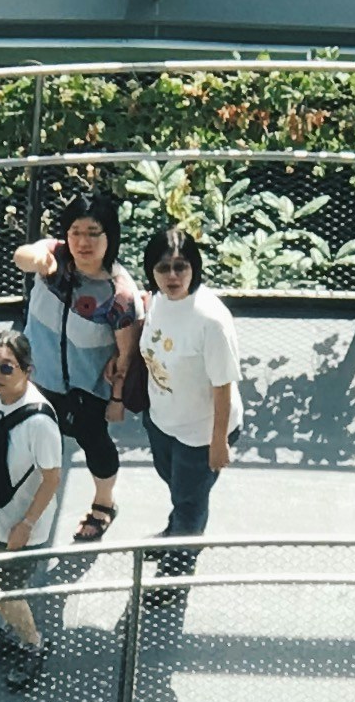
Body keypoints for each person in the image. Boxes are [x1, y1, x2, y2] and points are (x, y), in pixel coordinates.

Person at [14, 193, 143, 548]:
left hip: (85, 388)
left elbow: (125, 355)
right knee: (30, 438)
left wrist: (116, 400)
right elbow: (22, 256)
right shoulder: (54, 258)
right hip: (39, 377)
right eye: (75, 232)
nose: (82, 242)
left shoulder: (118, 293)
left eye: (93, 233)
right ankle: (29, 503)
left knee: (95, 444)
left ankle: (104, 502)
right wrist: (38, 257)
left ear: (109, 237)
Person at [135, 224, 242, 575]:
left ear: (194, 268)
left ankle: (179, 562)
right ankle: (175, 533)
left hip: (200, 432)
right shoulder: (158, 302)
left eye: (180, 266)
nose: (172, 275)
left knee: (191, 499)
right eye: (163, 267)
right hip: (163, 419)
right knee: (176, 486)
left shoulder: (211, 321)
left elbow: (223, 385)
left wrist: (218, 441)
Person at [0, 331, 65, 678]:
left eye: (7, 368)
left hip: (21, 527)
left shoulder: (40, 422)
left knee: (1, 591)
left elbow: (51, 478)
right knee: (2, 588)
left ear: (27, 371)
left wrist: (27, 524)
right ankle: (13, 629)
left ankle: (32, 642)